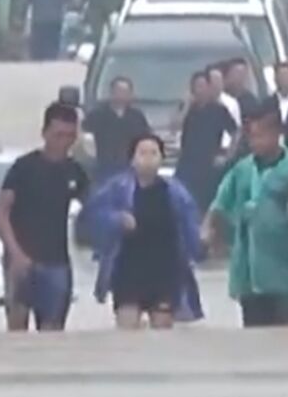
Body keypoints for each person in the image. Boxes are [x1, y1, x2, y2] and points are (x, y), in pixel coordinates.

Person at [202, 107, 288, 328]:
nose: (254, 142)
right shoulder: (242, 170)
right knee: (254, 342)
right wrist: (208, 229)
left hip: (287, 275)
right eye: (251, 136)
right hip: (249, 276)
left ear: (276, 134)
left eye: (260, 135)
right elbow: (220, 202)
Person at [84, 134, 206, 330]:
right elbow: (93, 214)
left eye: (154, 153)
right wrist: (117, 219)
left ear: (162, 158)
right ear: (132, 159)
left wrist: (200, 248)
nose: (148, 158)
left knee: (162, 331)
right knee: (127, 330)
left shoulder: (174, 191)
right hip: (127, 271)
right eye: (142, 153)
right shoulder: (117, 188)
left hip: (165, 272)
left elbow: (189, 224)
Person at [0, 102, 90, 332]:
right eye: (58, 135)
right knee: (17, 329)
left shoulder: (75, 171)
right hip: (21, 261)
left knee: (53, 332)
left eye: (70, 136)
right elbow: (0, 213)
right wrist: (16, 254)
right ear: (44, 133)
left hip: (57, 262)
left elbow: (95, 208)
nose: (63, 142)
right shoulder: (24, 168)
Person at [176, 70, 238, 213]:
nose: (200, 90)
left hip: (209, 163)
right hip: (187, 162)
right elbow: (174, 126)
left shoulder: (219, 109)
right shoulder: (187, 109)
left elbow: (235, 132)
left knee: (208, 203)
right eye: (197, 86)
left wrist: (228, 155)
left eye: (203, 86)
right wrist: (186, 106)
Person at [82, 76, 151, 183]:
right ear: (112, 92)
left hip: (129, 168)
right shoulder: (98, 114)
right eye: (119, 91)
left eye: (126, 92)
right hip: (104, 167)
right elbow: (85, 136)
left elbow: (145, 138)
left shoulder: (137, 116)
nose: (122, 95)